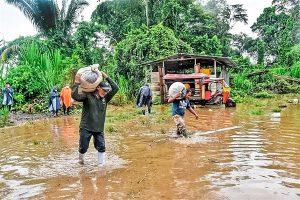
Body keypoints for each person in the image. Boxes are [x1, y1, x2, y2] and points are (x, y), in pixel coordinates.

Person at [71, 71, 119, 166]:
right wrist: (77, 82)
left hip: (99, 129)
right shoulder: (87, 96)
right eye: (104, 90)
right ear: (98, 88)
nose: (105, 93)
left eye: (106, 91)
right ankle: (81, 161)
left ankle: (101, 166)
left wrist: (106, 77)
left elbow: (116, 88)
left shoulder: (106, 98)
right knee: (83, 147)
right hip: (86, 127)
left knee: (101, 147)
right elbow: (75, 95)